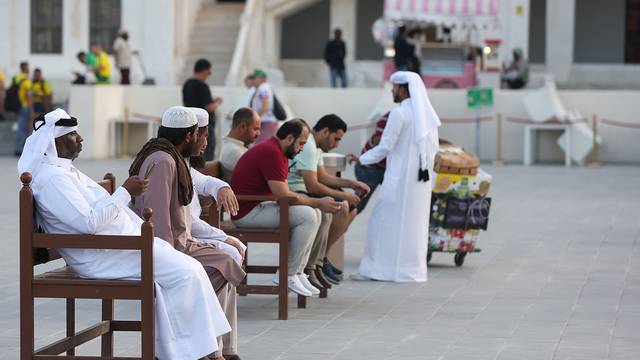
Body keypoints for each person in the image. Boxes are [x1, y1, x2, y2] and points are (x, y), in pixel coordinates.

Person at [18, 108, 230, 360]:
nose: (80, 139)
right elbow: (89, 223)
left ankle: (198, 351)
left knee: (190, 270)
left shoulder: (63, 171)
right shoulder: (52, 179)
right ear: (54, 142)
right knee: (186, 274)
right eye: (73, 134)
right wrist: (125, 192)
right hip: (101, 256)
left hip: (120, 246)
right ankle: (196, 353)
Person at [129, 106, 246, 360]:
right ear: (188, 136)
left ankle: (215, 349)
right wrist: (174, 259)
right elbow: (157, 220)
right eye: (197, 134)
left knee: (226, 261)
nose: (200, 139)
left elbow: (198, 185)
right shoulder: (163, 161)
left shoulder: (171, 157)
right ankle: (208, 349)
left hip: (180, 242)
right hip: (167, 248)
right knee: (223, 265)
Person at [231, 119, 342, 296]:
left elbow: (283, 193)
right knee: (308, 215)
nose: (303, 148)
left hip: (257, 205)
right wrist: (317, 202)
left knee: (315, 213)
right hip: (247, 212)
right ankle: (288, 274)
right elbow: (283, 195)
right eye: (301, 143)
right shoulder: (272, 152)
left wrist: (314, 203)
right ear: (289, 138)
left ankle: (298, 272)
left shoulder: (278, 151)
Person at [350, 71, 441, 282]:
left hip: (399, 179)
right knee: (412, 225)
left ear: (402, 89)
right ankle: (408, 270)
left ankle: (376, 269)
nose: (391, 90)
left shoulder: (399, 114)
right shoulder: (425, 114)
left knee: (381, 222)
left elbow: (385, 146)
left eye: (393, 87)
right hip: (419, 182)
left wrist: (362, 159)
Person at [287, 114, 370, 285]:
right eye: (336, 139)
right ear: (325, 131)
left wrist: (351, 184)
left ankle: (321, 257)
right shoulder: (308, 145)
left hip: (304, 190)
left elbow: (323, 177)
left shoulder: (315, 147)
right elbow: (313, 186)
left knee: (351, 209)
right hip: (296, 191)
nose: (336, 144)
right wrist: (344, 195)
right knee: (342, 206)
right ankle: (316, 261)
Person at [347, 112, 390, 214]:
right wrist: (361, 160)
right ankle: (336, 226)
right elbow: (378, 143)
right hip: (369, 169)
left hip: (381, 168)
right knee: (356, 206)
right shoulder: (391, 117)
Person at [182, 58, 223, 161]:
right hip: (204, 126)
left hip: (190, 125)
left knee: (193, 155)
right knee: (206, 156)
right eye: (209, 71)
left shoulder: (187, 84)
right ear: (204, 71)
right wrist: (218, 102)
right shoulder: (202, 85)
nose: (209, 74)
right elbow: (209, 107)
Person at [219, 107, 261, 182]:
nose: (259, 133)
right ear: (243, 127)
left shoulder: (234, 147)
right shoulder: (234, 151)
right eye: (255, 129)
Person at [248, 69, 277, 144]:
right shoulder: (263, 88)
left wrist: (255, 119)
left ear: (260, 79)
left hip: (266, 122)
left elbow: (265, 107)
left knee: (260, 147)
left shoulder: (263, 88)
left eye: (254, 78)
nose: (253, 80)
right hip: (265, 122)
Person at [14, 62, 32, 156]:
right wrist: (31, 109)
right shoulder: (26, 79)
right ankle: (22, 149)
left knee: (20, 128)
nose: (29, 69)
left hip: (18, 106)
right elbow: (27, 96)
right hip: (25, 106)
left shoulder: (17, 78)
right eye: (28, 67)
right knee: (25, 129)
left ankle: (18, 149)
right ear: (24, 68)